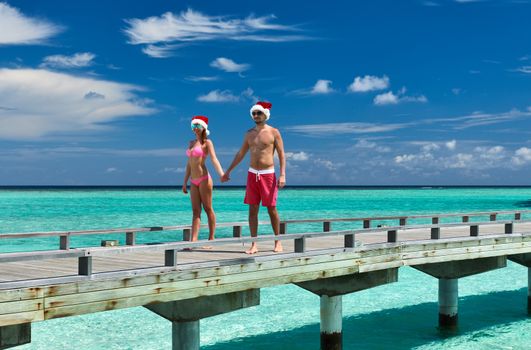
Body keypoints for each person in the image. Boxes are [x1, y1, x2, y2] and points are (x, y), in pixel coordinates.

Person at [221, 101, 286, 254]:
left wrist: (282, 174)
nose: (256, 116)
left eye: (259, 113)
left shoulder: (274, 132)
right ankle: (254, 244)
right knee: (252, 210)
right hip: (252, 174)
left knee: (271, 209)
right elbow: (241, 154)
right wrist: (228, 171)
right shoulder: (249, 133)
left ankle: (278, 241)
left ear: (265, 115)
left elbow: (282, 154)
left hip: (268, 174)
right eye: (254, 113)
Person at [182, 115, 224, 245]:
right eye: (193, 126)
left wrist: (221, 174)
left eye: (197, 125)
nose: (195, 128)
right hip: (193, 181)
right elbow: (189, 164)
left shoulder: (207, 143)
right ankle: (193, 241)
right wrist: (184, 182)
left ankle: (211, 238)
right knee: (195, 211)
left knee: (208, 208)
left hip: (204, 179)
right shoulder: (190, 143)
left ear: (203, 127)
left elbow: (214, 159)